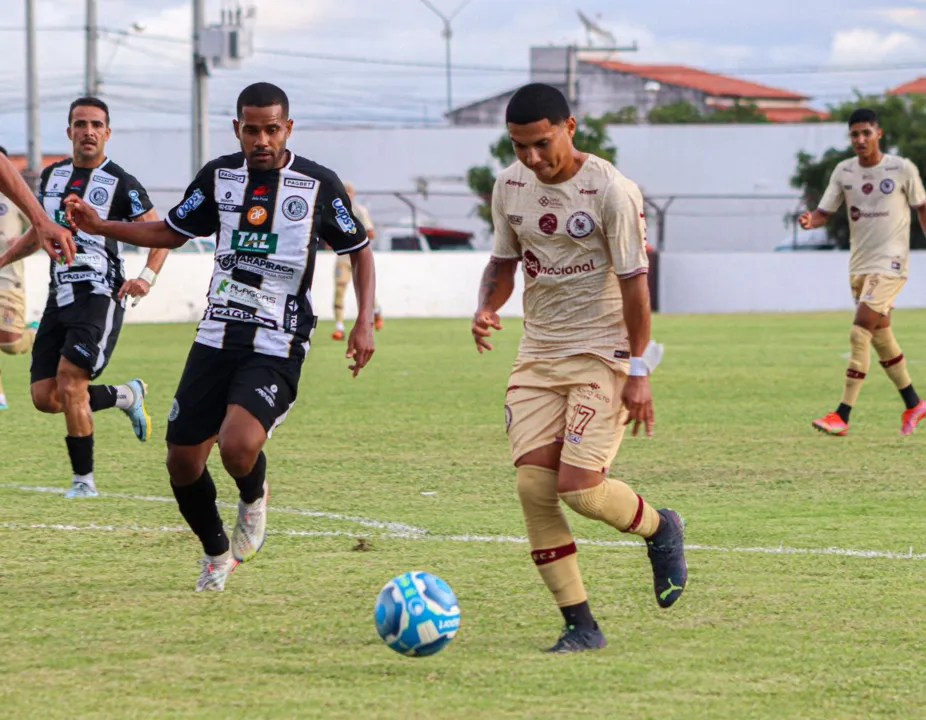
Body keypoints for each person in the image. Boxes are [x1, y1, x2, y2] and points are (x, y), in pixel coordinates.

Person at [65, 82, 377, 593]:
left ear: (288, 129)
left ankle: (253, 496)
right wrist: (102, 226)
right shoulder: (219, 177)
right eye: (251, 129)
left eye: (271, 129)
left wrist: (364, 320)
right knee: (182, 462)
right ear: (237, 128)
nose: (261, 139)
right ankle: (216, 555)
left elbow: (359, 249)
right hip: (216, 334)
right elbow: (170, 231)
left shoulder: (318, 183)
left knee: (237, 447)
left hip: (279, 338)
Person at [472, 83, 687, 654]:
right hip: (539, 355)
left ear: (571, 127)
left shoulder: (611, 191)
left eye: (542, 144)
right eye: (520, 147)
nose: (533, 159)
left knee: (580, 490)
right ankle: (581, 625)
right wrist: (486, 307)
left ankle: (660, 529)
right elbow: (502, 262)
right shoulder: (510, 185)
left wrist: (639, 370)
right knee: (533, 487)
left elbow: (635, 285)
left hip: (605, 352)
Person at [0, 97, 165, 498]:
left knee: (72, 381)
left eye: (96, 124)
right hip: (61, 297)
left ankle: (84, 482)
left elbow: (161, 232)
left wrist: (146, 277)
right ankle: (125, 396)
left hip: (100, 294)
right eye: (80, 124)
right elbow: (38, 232)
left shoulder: (122, 183)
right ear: (69, 131)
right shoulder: (53, 177)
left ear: (107, 133)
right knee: (46, 397)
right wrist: (2, 259)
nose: (88, 131)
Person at [800, 107, 926, 436]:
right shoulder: (844, 172)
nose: (860, 139)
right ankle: (914, 403)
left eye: (866, 133)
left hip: (892, 264)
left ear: (878, 134)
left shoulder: (902, 169)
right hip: (860, 265)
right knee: (881, 335)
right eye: (855, 134)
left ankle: (843, 414)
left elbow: (922, 206)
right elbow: (825, 212)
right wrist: (810, 221)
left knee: (860, 330)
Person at [0, 147, 34, 410]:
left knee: (10, 344)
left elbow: (40, 225)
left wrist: (19, 241)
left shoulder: (16, 197)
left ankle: (36, 332)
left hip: (8, 279)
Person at [332, 182, 382, 340]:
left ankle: (377, 311)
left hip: (359, 257)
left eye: (349, 193)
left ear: (353, 195)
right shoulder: (334, 213)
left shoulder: (359, 211)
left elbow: (371, 233)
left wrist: (357, 237)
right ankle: (339, 327)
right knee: (340, 288)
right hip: (343, 258)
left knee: (363, 289)